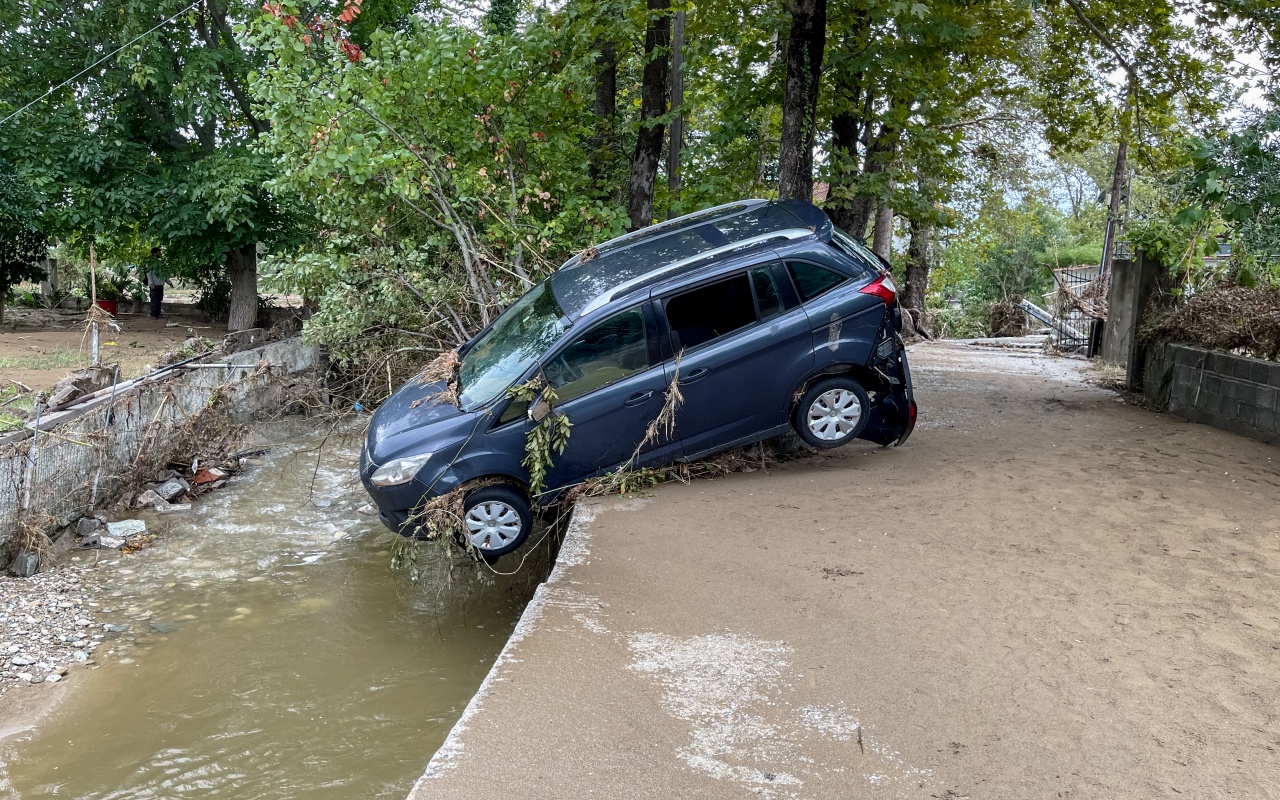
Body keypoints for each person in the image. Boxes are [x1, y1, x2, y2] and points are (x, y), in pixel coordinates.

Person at [145, 247, 171, 319]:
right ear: (155, 253)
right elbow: (148, 274)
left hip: (160, 284)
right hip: (154, 285)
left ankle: (158, 313)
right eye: (159, 252)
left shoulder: (161, 263)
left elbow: (164, 274)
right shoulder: (150, 263)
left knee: (159, 300)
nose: (160, 254)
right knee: (154, 300)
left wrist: (169, 283)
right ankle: (153, 314)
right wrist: (151, 283)